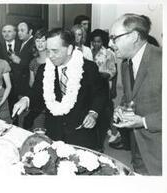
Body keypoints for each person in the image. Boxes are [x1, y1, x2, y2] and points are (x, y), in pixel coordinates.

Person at [12, 28, 106, 150]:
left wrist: (93, 113)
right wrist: (26, 99)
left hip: (81, 132)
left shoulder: (89, 68)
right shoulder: (44, 69)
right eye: (48, 51)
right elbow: (36, 92)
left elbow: (100, 94)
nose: (50, 56)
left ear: (70, 49)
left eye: (55, 51)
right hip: (54, 131)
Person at [110, 14, 162, 175]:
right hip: (137, 147)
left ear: (133, 36)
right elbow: (130, 96)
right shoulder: (126, 64)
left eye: (114, 38)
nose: (109, 44)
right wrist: (122, 108)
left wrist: (143, 121)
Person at [89, 29, 117, 151]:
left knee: (102, 115)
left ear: (103, 41)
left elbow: (113, 71)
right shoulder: (87, 52)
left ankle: (99, 145)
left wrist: (100, 74)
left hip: (102, 85)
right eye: (94, 41)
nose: (96, 44)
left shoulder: (108, 53)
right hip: (89, 87)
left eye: (99, 41)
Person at [8, 21, 35, 125]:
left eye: (22, 30)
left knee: (24, 117)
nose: (19, 33)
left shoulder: (33, 43)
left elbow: (34, 63)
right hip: (19, 85)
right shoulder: (22, 42)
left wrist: (18, 60)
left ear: (30, 31)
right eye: (18, 30)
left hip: (27, 86)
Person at [23, 28, 47, 130]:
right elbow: (32, 83)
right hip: (38, 96)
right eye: (37, 41)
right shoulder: (33, 62)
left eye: (43, 41)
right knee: (27, 121)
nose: (40, 44)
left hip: (52, 97)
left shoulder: (53, 59)